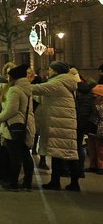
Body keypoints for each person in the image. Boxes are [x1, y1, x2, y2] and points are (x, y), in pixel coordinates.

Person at [31, 61, 79, 191]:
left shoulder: (58, 82)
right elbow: (44, 96)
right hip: (64, 122)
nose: (48, 72)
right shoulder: (66, 82)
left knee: (68, 154)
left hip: (60, 123)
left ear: (56, 71)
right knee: (61, 153)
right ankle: (59, 181)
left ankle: (71, 183)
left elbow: (38, 89)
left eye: (50, 69)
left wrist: (20, 86)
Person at [0, 63, 35, 191]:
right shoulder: (27, 88)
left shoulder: (14, 89)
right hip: (26, 124)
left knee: (14, 156)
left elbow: (11, 109)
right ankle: (27, 183)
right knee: (25, 155)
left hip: (14, 125)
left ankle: (13, 183)